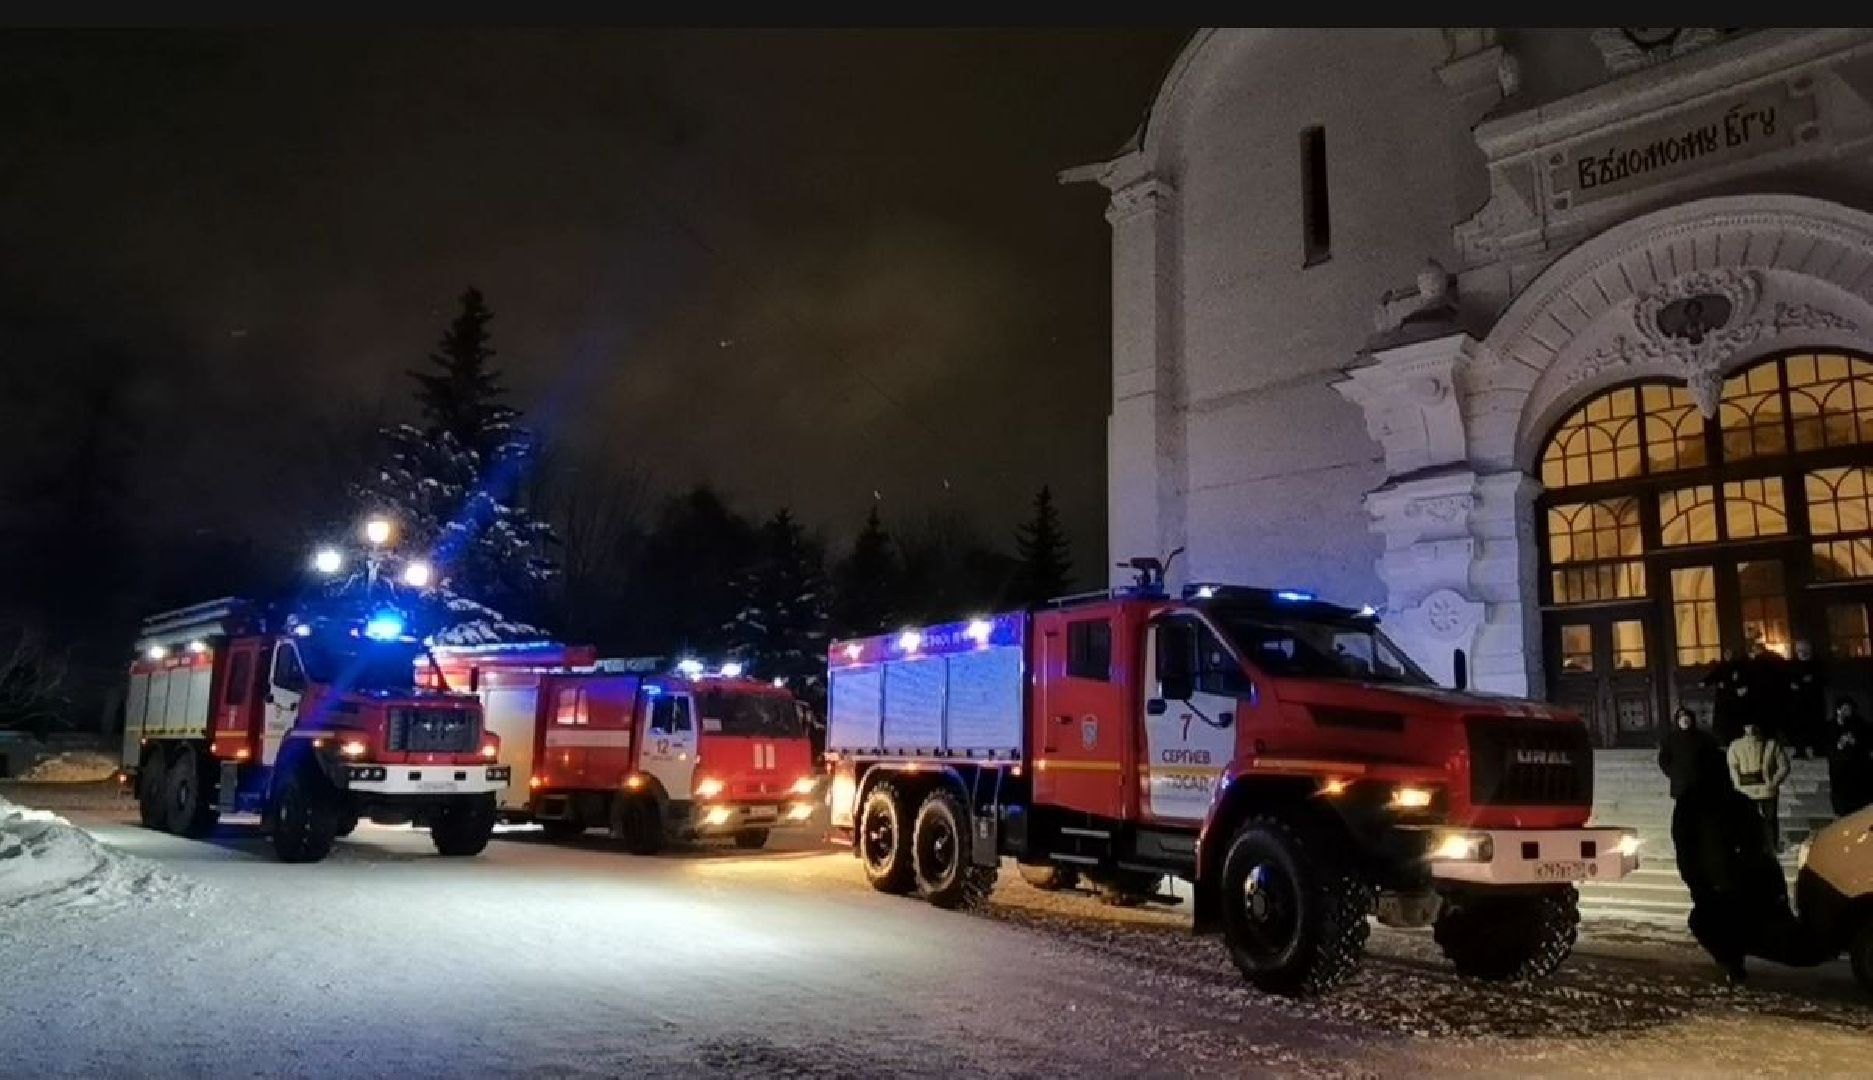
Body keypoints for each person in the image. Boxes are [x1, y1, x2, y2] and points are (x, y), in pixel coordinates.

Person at [1726, 721, 1792, 852]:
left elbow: (1784, 766)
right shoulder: (1736, 745)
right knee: (1745, 821)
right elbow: (1733, 766)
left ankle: (1771, 845)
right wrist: (1737, 784)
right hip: (1745, 790)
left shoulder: (1771, 744)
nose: (1751, 728)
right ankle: (1746, 844)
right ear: (1744, 727)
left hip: (1766, 789)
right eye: (1748, 725)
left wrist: (1773, 782)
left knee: (1770, 819)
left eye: (1754, 725)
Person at [1659, 705, 1724, 800]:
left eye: (1687, 719)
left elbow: (1714, 757)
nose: (1684, 721)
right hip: (1680, 783)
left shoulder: (1704, 738)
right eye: (1681, 719)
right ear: (1677, 721)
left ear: (1692, 720)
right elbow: (1663, 760)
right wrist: (1673, 773)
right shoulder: (1670, 739)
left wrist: (1705, 773)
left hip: (1700, 783)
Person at [1823, 697, 1873, 818]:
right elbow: (1826, 745)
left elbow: (1866, 743)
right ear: (1838, 710)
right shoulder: (1830, 726)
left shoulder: (1860, 724)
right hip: (1839, 770)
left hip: (1857, 770)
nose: (1848, 712)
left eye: (1850, 709)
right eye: (1845, 709)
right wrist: (1839, 744)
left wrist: (1854, 741)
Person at [1740, 640, 1793, 745]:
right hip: (1778, 695)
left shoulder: (1757, 662)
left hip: (1762, 697)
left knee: (1765, 722)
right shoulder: (1776, 657)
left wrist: (1746, 689)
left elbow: (1755, 679)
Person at [1787, 641, 1828, 759]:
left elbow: (1824, 679)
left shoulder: (1817, 663)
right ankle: (1800, 750)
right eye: (1800, 649)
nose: (1802, 652)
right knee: (1799, 727)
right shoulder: (1793, 664)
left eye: (1805, 649)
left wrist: (1812, 680)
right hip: (1799, 702)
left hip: (1815, 701)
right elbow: (1790, 681)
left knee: (1817, 725)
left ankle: (1819, 749)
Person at [1701, 647, 1749, 744]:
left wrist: (1734, 687)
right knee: (1723, 724)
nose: (1728, 656)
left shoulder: (1740, 666)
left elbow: (1743, 682)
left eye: (1730, 654)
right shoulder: (1720, 667)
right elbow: (1712, 676)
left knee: (1735, 723)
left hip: (1735, 700)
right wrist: (1705, 682)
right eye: (1726, 654)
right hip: (1723, 700)